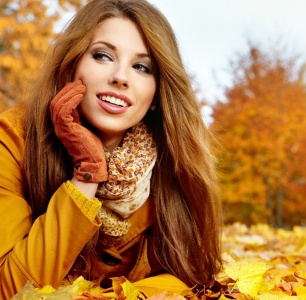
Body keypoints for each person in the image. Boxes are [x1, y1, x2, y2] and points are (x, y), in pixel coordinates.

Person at [0, 0, 223, 298]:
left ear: (156, 93)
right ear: (71, 66)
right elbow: (10, 287)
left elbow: (189, 275)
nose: (120, 77)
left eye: (141, 67)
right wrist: (86, 175)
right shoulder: (13, 139)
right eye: (102, 55)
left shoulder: (175, 162)